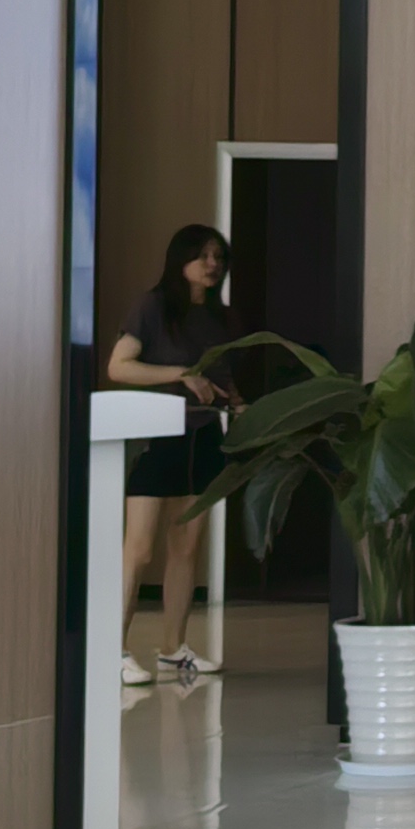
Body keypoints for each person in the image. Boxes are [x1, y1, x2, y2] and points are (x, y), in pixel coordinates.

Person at [106, 224, 237, 685]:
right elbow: (119, 366)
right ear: (180, 259)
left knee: (186, 547)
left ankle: (173, 650)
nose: (212, 264)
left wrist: (240, 406)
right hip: (156, 435)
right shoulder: (153, 306)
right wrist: (180, 373)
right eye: (203, 255)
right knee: (140, 548)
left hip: (204, 435)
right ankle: (113, 650)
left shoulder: (221, 318)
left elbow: (224, 379)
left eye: (218, 256)